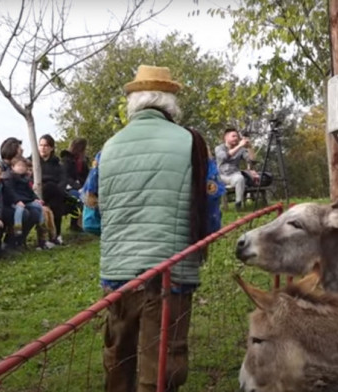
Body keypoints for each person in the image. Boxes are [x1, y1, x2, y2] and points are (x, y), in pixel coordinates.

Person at [95, 64, 209, 392]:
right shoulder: (191, 143)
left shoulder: (109, 147)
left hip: (118, 274)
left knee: (119, 357)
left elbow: (95, 214)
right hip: (170, 274)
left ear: (134, 102)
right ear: (170, 102)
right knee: (160, 361)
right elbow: (208, 212)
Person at [214, 128, 259, 210]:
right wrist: (240, 145)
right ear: (226, 137)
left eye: (237, 136)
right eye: (233, 136)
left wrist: (250, 147)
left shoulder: (241, 150)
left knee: (240, 178)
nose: (236, 138)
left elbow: (252, 160)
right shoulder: (219, 148)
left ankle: (238, 203)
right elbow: (224, 157)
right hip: (221, 176)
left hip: (233, 175)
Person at [38, 134, 70, 245]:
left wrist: (58, 190)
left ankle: (56, 234)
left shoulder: (57, 164)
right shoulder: (32, 162)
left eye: (46, 145)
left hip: (55, 193)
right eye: (41, 145)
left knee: (57, 201)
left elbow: (63, 180)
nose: (43, 148)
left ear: (51, 148)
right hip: (38, 193)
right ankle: (44, 238)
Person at [5, 156, 45, 238]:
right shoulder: (10, 178)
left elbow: (30, 192)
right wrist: (17, 201)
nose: (21, 168)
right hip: (15, 201)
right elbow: (10, 191)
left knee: (40, 207)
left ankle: (41, 225)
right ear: (13, 167)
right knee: (20, 209)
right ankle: (17, 227)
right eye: (19, 166)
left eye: (23, 166)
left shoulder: (25, 179)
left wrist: (36, 199)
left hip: (26, 200)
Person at [60, 137, 89, 232]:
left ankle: (85, 224)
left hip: (80, 187)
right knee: (81, 198)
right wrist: (79, 187)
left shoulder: (83, 161)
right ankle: (76, 224)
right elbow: (66, 177)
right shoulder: (66, 160)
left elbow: (86, 176)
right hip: (68, 188)